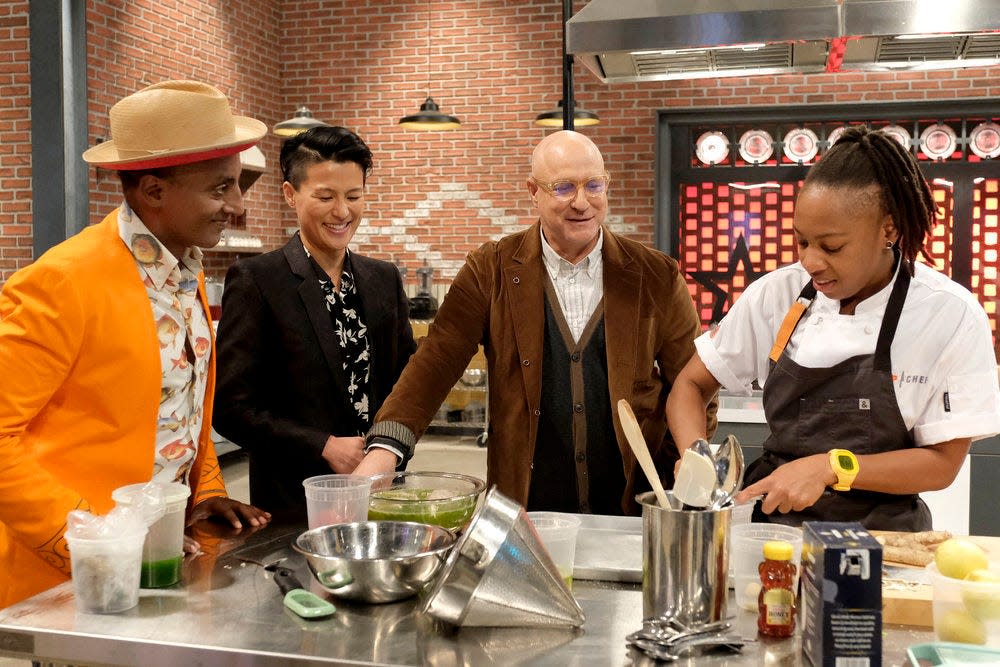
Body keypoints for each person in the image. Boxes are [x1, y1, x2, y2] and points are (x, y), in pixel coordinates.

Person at [0, 80, 272, 608]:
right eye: (221, 188)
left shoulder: (184, 272)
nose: (237, 205)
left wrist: (206, 489)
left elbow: (180, 408)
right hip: (72, 583)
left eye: (238, 186)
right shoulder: (61, 282)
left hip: (166, 563)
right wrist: (101, 543)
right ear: (152, 191)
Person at [353, 130, 715, 516]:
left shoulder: (654, 274)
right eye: (563, 188)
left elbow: (694, 381)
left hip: (636, 507)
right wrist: (385, 449)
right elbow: (435, 362)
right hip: (525, 511)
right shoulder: (490, 269)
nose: (582, 202)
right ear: (533, 191)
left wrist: (687, 464)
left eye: (594, 185)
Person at [666, 125, 1000, 530]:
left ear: (888, 230)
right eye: (802, 241)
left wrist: (830, 468)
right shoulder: (776, 294)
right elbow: (690, 385)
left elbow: (941, 465)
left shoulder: (948, 313)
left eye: (831, 246)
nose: (810, 260)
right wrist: (695, 454)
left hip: (883, 538)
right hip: (771, 529)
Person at [213, 126, 416, 514]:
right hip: (294, 502)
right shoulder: (257, 281)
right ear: (290, 194)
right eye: (325, 196)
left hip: (384, 491)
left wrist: (389, 450)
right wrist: (322, 444)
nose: (342, 212)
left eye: (353, 196)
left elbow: (409, 386)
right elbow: (231, 408)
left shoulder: (383, 279)